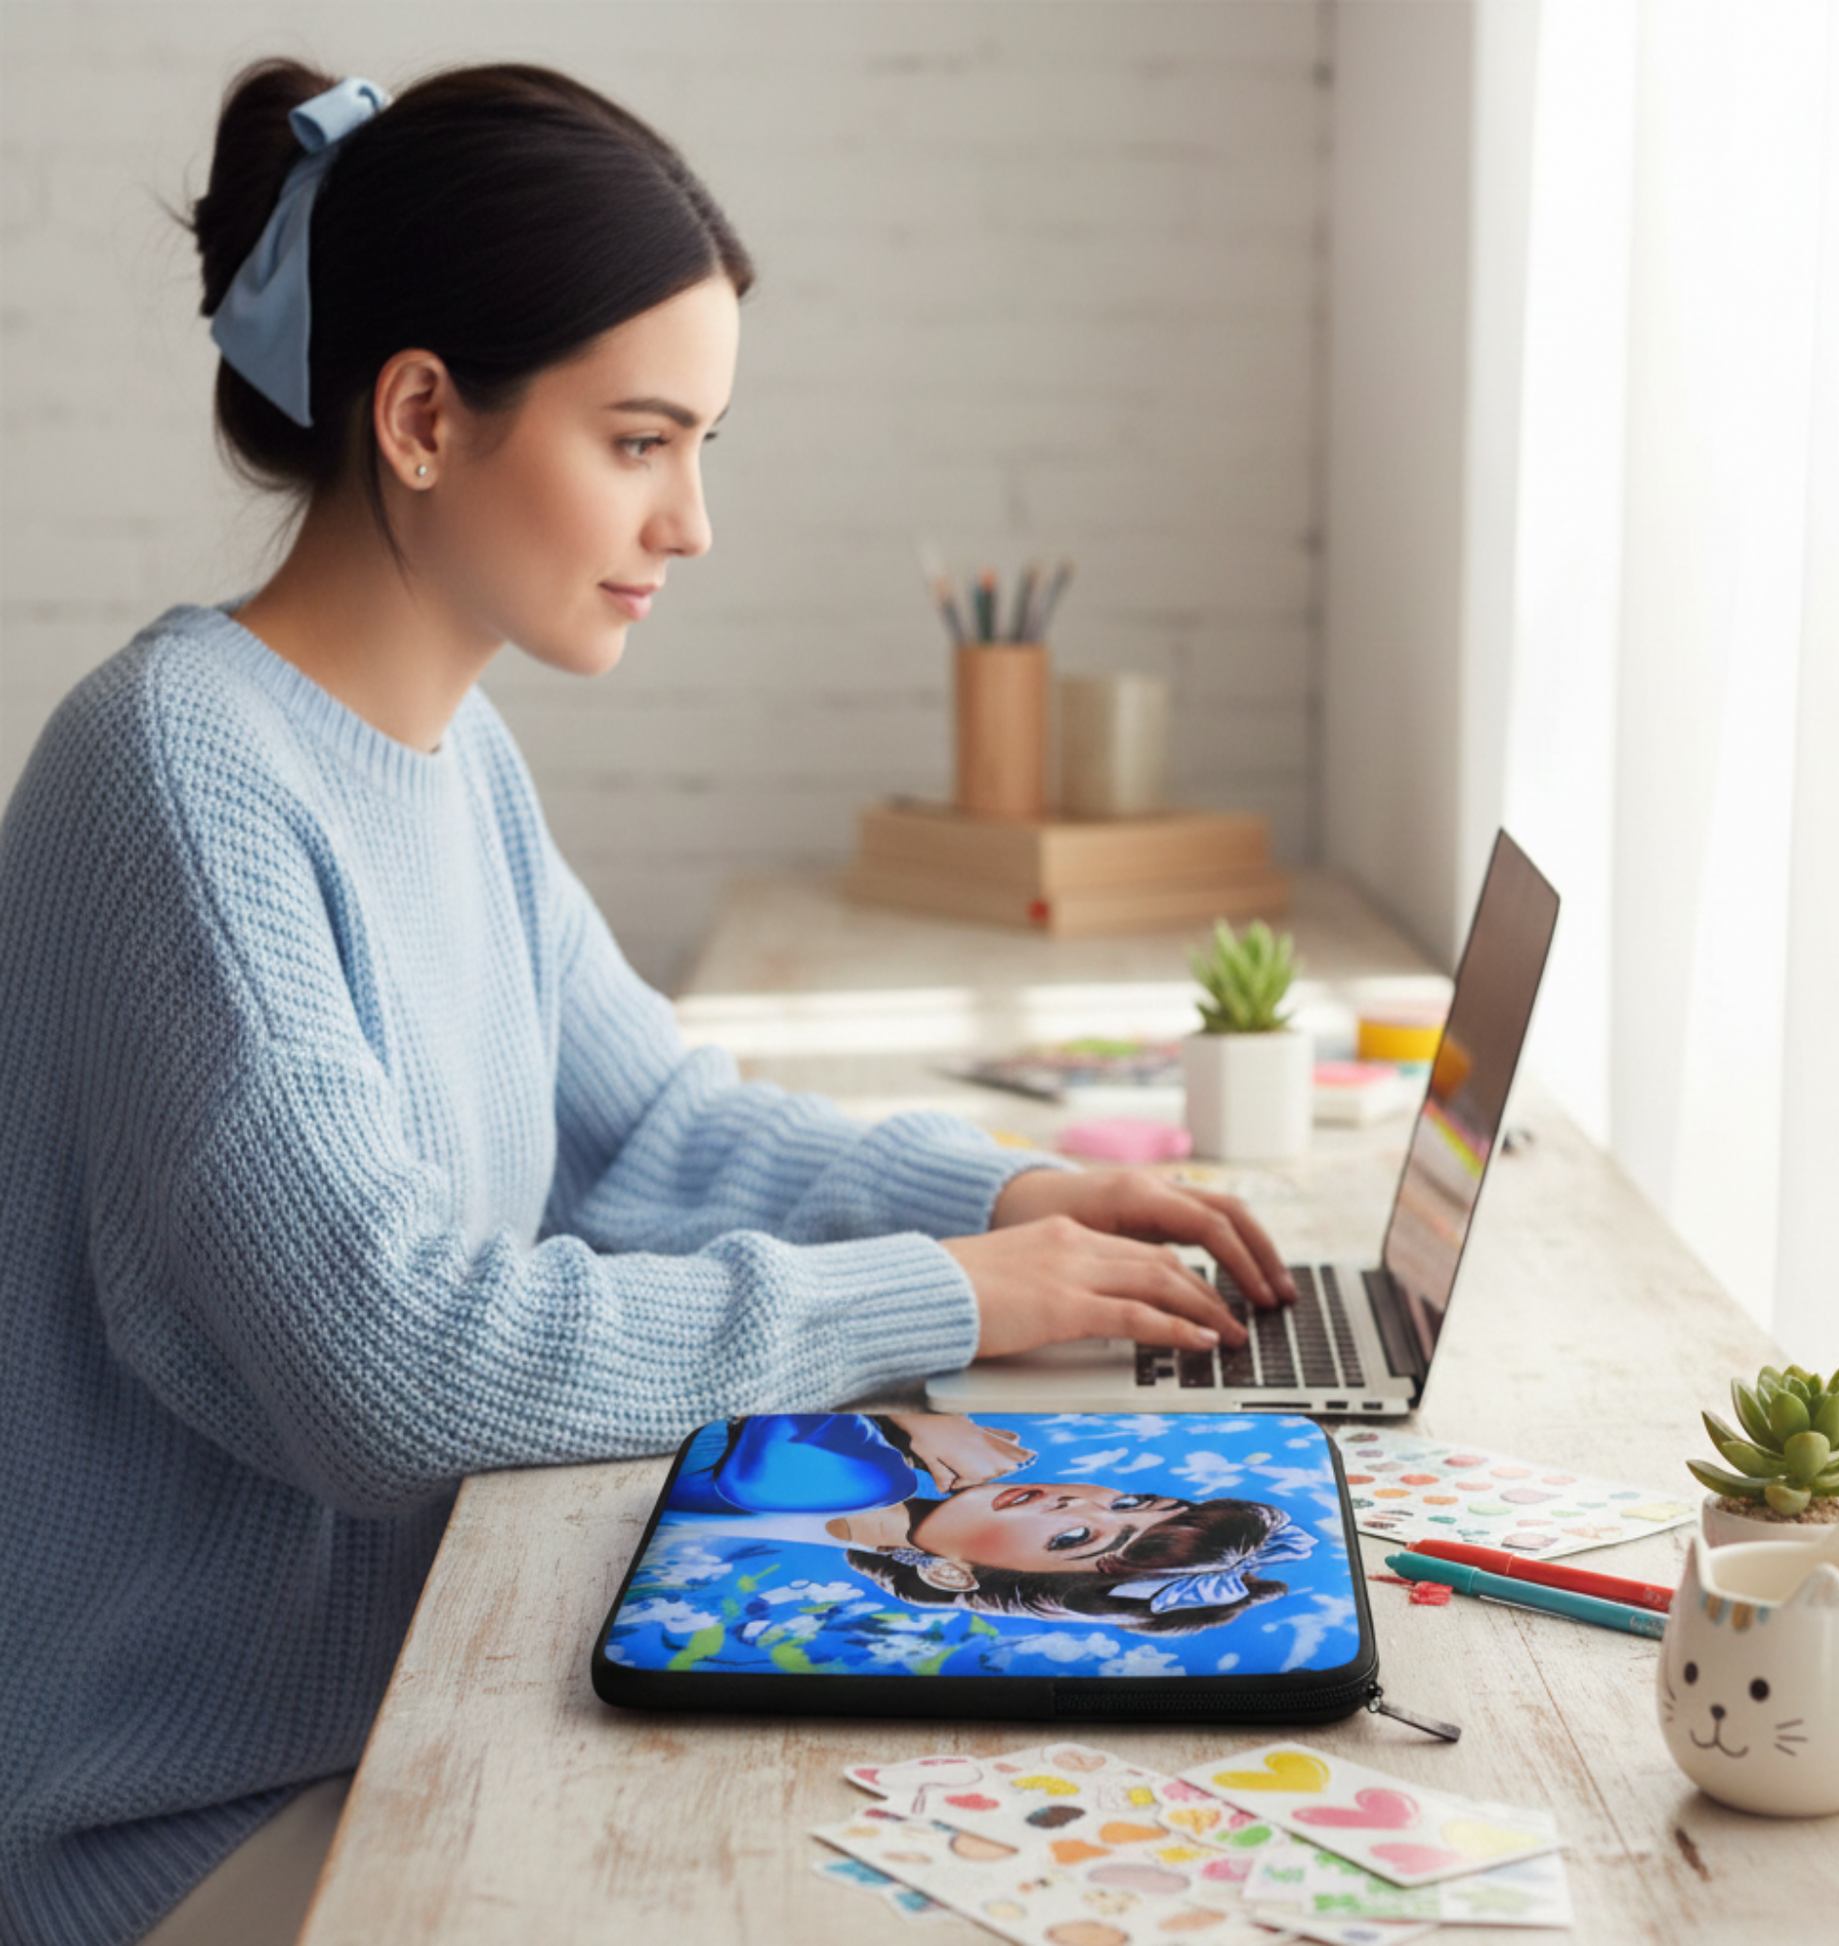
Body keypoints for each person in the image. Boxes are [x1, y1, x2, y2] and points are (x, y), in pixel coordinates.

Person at [0, 59, 1299, 1946]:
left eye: (703, 444)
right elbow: (397, 1372)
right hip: (194, 1829)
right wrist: (942, 1297)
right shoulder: (176, 777)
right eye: (639, 440)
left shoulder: (450, 755)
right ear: (425, 415)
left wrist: (1004, 1203)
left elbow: (648, 1134)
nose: (690, 522)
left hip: (427, 1703)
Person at [657, 1410, 1312, 1636]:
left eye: (1075, 1540)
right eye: (1129, 1502)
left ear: (952, 1573)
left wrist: (911, 1421)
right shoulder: (889, 1471)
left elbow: (765, 1449)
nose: (1074, 1503)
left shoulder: (872, 1476)